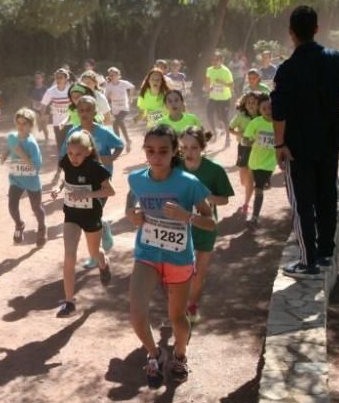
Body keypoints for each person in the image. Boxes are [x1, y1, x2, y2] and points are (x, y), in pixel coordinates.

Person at [272, 5, 339, 278]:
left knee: (302, 203)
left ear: (291, 33)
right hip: (329, 144)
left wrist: (279, 145)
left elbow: (278, 111)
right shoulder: (338, 61)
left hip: (297, 147)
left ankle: (307, 262)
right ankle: (326, 254)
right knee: (326, 197)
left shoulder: (287, 69)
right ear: (317, 29)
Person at [127, 125, 214, 386]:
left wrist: (186, 217)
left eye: (163, 151)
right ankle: (155, 354)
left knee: (177, 318)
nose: (156, 156)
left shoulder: (188, 183)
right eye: (150, 150)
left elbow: (210, 222)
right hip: (147, 253)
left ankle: (180, 354)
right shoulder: (136, 179)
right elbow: (130, 207)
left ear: (174, 151)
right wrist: (132, 215)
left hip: (178, 258)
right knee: (136, 313)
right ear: (144, 151)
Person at [51, 130, 115, 317]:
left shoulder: (94, 167)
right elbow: (65, 177)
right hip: (71, 215)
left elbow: (110, 191)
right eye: (70, 153)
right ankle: (69, 302)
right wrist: (58, 187)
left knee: (94, 253)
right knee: (69, 255)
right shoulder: (66, 162)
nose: (73, 158)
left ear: (87, 151)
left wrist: (88, 194)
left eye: (78, 154)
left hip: (91, 215)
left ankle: (103, 264)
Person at [179, 127, 234, 324]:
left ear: (202, 148)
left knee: (198, 272)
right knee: (179, 270)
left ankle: (191, 305)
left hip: (205, 226)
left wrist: (204, 196)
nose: (189, 152)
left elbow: (224, 200)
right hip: (179, 227)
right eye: (184, 147)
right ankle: (178, 306)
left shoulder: (214, 170)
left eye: (194, 148)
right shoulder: (174, 166)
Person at [61, 95, 125, 252]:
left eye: (88, 110)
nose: (84, 113)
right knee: (88, 212)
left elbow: (120, 145)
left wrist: (111, 158)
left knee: (93, 211)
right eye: (81, 110)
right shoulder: (73, 133)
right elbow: (64, 154)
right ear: (77, 112)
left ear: (95, 111)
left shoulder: (103, 132)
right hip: (81, 181)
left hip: (101, 180)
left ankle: (96, 248)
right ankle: (100, 232)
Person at [2, 108, 46, 246]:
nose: (21, 126)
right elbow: (11, 146)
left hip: (31, 181)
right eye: (18, 123)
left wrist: (20, 153)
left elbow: (35, 167)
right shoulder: (12, 137)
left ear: (30, 126)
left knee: (36, 208)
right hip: (16, 179)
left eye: (24, 124)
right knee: (12, 206)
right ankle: (19, 225)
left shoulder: (32, 144)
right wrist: (5, 154)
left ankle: (42, 228)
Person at [243, 94, 277, 226]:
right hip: (255, 161)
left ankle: (254, 217)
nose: (268, 111)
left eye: (270, 108)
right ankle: (254, 217)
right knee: (256, 186)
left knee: (259, 188)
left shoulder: (278, 123)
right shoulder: (255, 123)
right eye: (264, 109)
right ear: (259, 110)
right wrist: (249, 140)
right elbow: (246, 139)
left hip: (269, 163)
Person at [229, 91, 261, 215]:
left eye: (254, 102)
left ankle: (246, 203)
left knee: (250, 178)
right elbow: (230, 128)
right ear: (244, 104)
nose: (251, 105)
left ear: (259, 104)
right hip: (244, 147)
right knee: (243, 179)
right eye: (248, 103)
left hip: (257, 150)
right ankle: (248, 186)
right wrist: (241, 134)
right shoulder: (241, 116)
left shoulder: (262, 116)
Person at [42, 68, 75, 185]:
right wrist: (43, 117)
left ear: (66, 78)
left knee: (72, 148)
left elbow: (77, 104)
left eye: (61, 77)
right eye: (57, 77)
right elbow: (43, 104)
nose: (58, 79)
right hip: (57, 125)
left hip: (71, 123)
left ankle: (72, 172)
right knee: (61, 150)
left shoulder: (71, 90)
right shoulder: (51, 91)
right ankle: (59, 171)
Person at [205, 54, 234, 144]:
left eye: (216, 60)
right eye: (213, 60)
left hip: (224, 98)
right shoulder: (209, 70)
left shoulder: (226, 71)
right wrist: (208, 88)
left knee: (223, 117)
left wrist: (222, 82)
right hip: (213, 97)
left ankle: (228, 137)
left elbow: (232, 86)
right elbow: (207, 82)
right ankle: (214, 132)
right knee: (209, 114)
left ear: (221, 61)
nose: (214, 62)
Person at [104, 66, 135, 151]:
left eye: (114, 75)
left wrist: (131, 98)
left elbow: (132, 87)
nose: (112, 77)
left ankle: (118, 143)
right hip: (115, 109)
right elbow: (105, 97)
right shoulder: (108, 86)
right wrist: (109, 97)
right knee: (120, 123)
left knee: (116, 123)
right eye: (110, 75)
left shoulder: (123, 83)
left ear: (118, 75)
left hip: (124, 107)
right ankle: (128, 140)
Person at [30, 71, 50, 142]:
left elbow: (48, 100)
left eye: (39, 78)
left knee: (44, 126)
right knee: (36, 121)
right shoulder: (32, 89)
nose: (37, 79)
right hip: (35, 108)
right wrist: (35, 105)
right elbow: (31, 100)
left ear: (42, 79)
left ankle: (47, 139)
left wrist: (43, 109)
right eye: (36, 78)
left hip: (45, 109)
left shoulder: (46, 89)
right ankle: (33, 138)